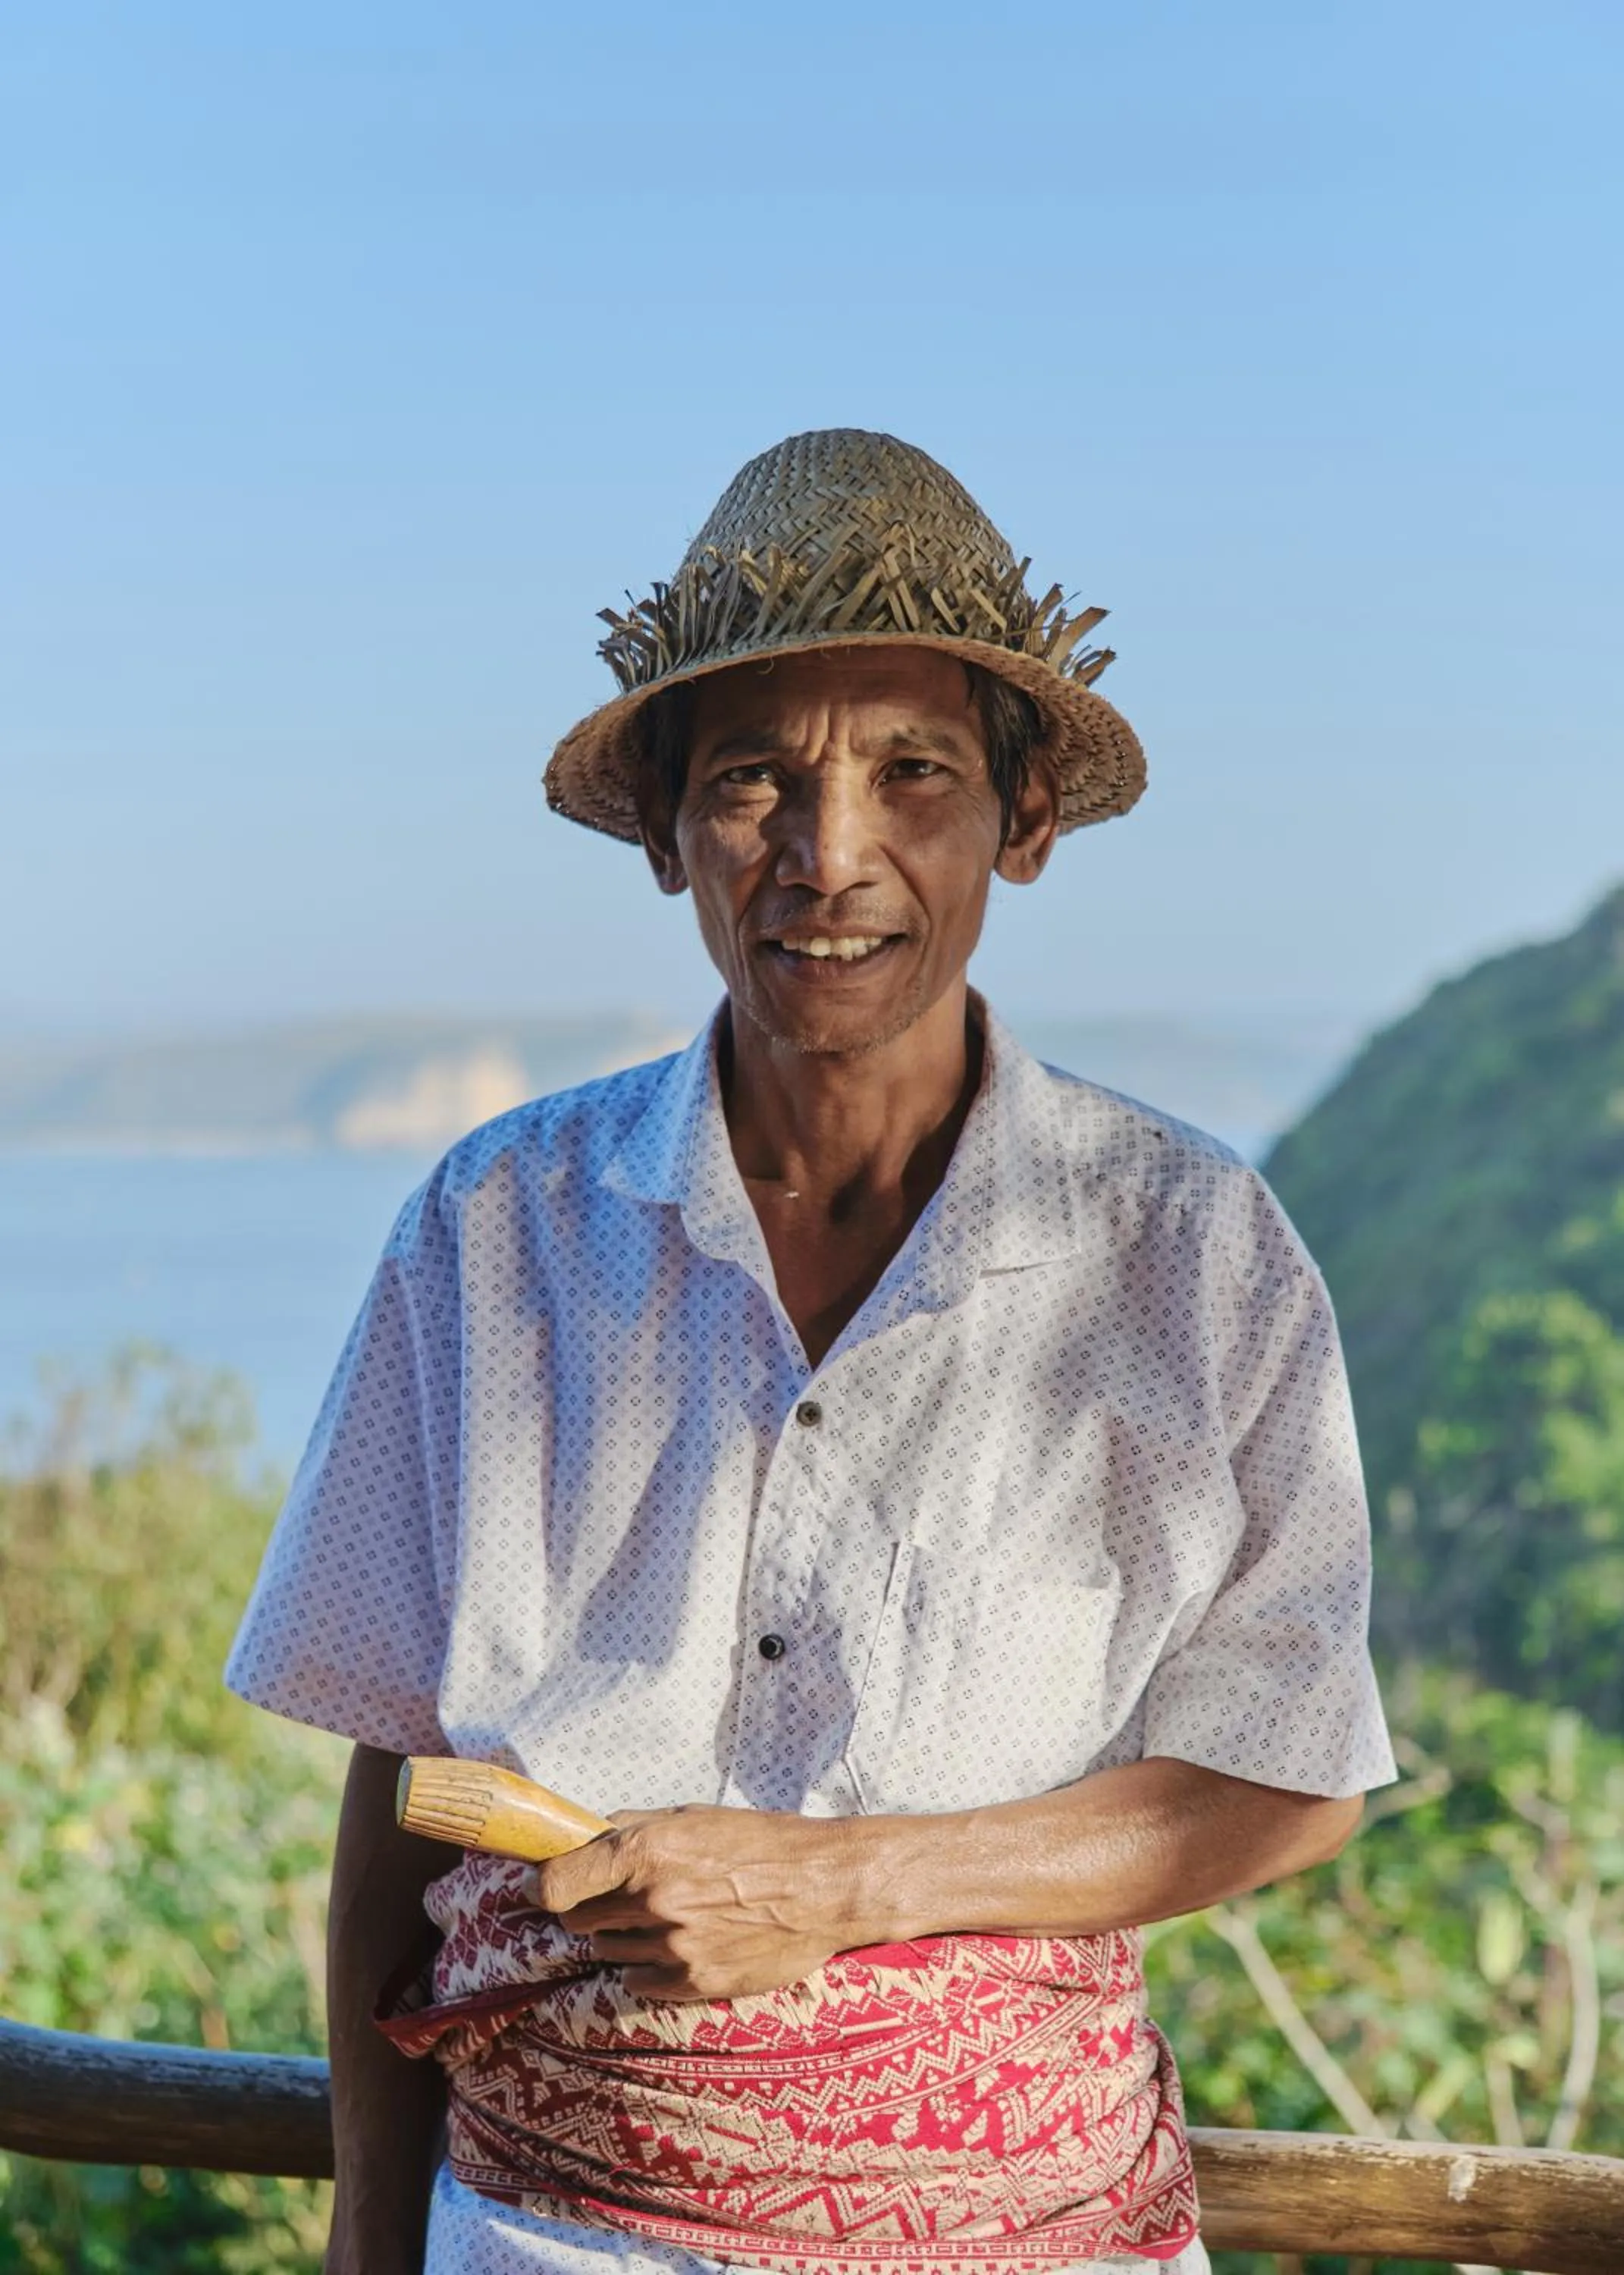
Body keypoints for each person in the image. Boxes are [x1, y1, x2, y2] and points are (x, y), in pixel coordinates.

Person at [227, 428, 1396, 2275]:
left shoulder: (1192, 1253)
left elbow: (1293, 1773)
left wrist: (846, 1883)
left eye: (914, 771)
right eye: (754, 778)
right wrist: (371, 2247)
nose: (829, 856)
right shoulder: (498, 1228)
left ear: (1025, 820)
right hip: (543, 2239)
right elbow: (406, 1781)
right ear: (663, 830)